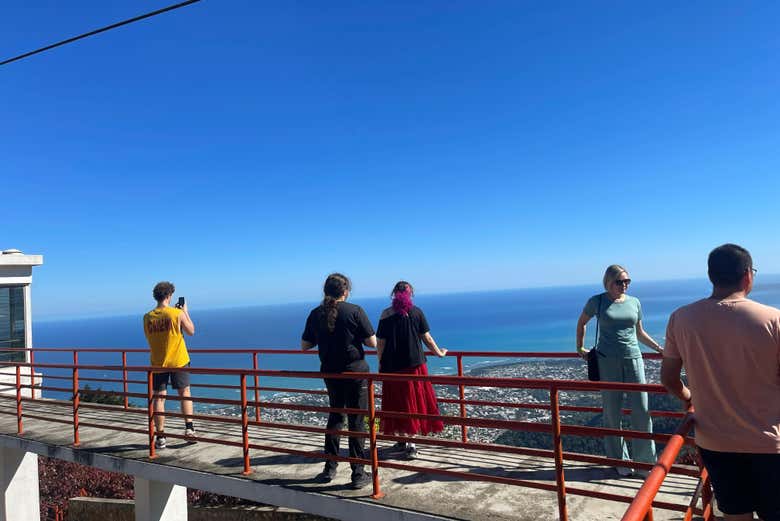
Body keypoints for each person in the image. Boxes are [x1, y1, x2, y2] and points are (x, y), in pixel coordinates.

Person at [662, 244, 780, 521]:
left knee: (735, 514)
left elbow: (668, 379)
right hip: (769, 441)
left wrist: (689, 396)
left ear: (710, 276)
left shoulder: (681, 318)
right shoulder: (773, 320)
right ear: (748, 275)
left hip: (714, 440)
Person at [575, 265, 663, 477]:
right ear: (608, 282)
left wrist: (660, 349)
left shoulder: (635, 302)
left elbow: (639, 332)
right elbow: (582, 323)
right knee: (612, 412)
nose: (624, 285)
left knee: (641, 410)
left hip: (633, 358)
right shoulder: (597, 301)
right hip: (607, 361)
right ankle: (619, 461)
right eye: (619, 281)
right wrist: (579, 348)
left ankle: (644, 461)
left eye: (627, 281)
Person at [301, 273, 377, 489]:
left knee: (335, 417)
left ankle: (329, 468)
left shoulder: (316, 313)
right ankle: (358, 474)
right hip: (355, 373)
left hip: (331, 373)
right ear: (345, 291)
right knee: (357, 421)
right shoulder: (355, 311)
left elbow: (305, 345)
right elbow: (372, 342)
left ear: (326, 291)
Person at [377, 281, 447, 459]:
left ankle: (401, 439)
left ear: (394, 294)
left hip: (392, 367)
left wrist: (380, 362)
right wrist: (439, 353)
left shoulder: (385, 314)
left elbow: (381, 343)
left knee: (397, 402)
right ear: (410, 294)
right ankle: (411, 444)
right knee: (413, 401)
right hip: (415, 365)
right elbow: (427, 338)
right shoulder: (416, 312)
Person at [143, 281, 196, 450]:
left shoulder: (147, 317)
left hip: (158, 361)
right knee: (184, 393)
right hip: (179, 360)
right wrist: (185, 312)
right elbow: (191, 331)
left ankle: (160, 436)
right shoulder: (176, 313)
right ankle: (189, 429)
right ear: (169, 295)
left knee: (159, 397)